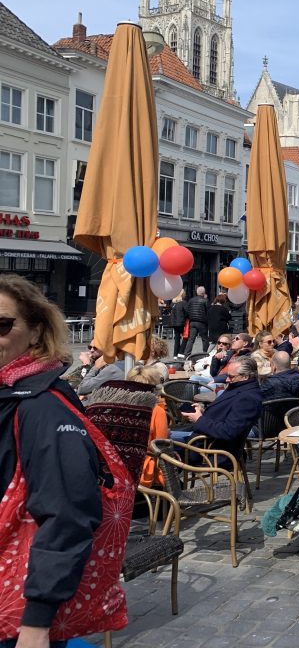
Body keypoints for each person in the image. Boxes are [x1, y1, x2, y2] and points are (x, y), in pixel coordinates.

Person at [0, 275, 129, 647]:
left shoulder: (42, 408)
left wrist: (36, 623)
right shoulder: (10, 394)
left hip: (17, 613)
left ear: (36, 332)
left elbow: (68, 513)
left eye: (2, 325)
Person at [178, 355, 263, 454]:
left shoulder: (248, 398)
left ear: (245, 377)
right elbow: (224, 414)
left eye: (231, 376)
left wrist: (199, 420)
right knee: (166, 435)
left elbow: (228, 431)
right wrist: (203, 411)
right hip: (204, 440)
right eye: (227, 376)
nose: (227, 380)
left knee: (163, 440)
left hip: (209, 450)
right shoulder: (238, 387)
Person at [182, 285, 210, 355]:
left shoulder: (191, 300)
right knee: (204, 339)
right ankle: (205, 353)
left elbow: (187, 310)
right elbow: (208, 311)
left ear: (197, 292)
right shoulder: (205, 300)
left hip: (192, 322)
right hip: (202, 322)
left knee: (191, 339)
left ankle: (187, 354)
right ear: (203, 293)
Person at [166, 289, 187, 357]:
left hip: (174, 323)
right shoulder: (183, 303)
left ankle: (175, 354)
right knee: (186, 337)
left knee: (177, 339)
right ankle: (180, 352)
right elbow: (186, 312)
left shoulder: (173, 303)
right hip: (181, 322)